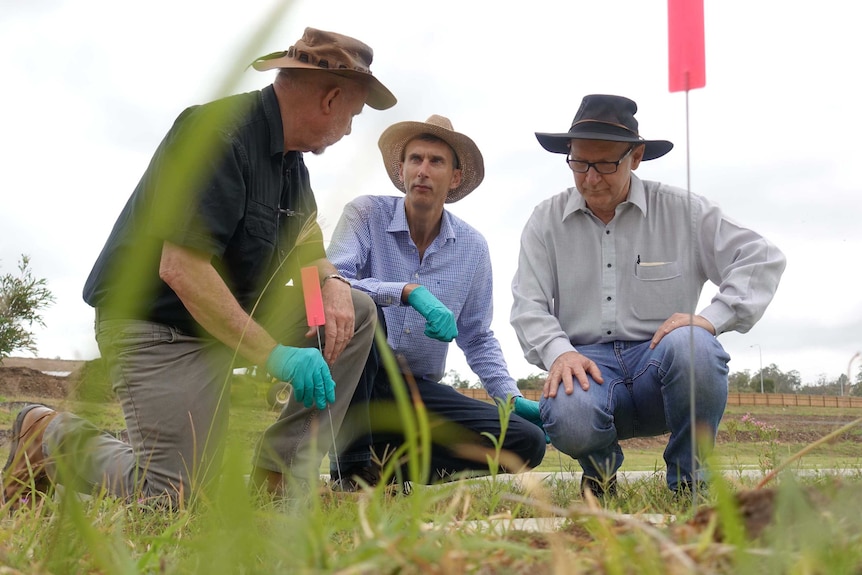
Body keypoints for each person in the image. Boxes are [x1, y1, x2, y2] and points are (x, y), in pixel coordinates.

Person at [2, 27, 396, 508]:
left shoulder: (293, 167)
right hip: (157, 328)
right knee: (179, 496)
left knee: (353, 312)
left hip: (222, 328)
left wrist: (329, 286)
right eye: (353, 115)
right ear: (331, 99)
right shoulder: (217, 134)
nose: (350, 129)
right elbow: (181, 269)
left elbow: (306, 247)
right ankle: (47, 436)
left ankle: (278, 476)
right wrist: (278, 355)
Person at [510, 94, 786, 497]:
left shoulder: (683, 212)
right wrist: (559, 352)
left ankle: (690, 480)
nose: (590, 177)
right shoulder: (545, 221)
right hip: (587, 365)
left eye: (605, 163)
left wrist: (712, 318)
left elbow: (761, 257)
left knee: (694, 343)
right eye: (579, 162)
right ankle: (600, 474)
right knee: (569, 411)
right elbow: (527, 304)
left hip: (662, 363)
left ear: (635, 156)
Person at [325, 115, 546, 490]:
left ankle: (391, 473)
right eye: (415, 159)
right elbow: (332, 281)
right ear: (401, 169)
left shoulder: (473, 247)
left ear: (455, 178)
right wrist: (407, 292)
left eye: (436, 161)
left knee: (526, 442)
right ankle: (350, 472)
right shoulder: (365, 213)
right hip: (357, 378)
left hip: (415, 390)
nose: (423, 170)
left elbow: (476, 336)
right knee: (364, 306)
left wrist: (508, 395)